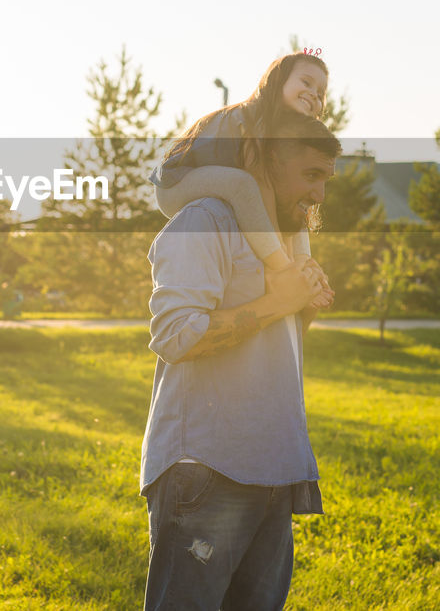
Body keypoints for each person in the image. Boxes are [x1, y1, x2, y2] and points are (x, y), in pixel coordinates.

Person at [140, 109, 341, 610]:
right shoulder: (205, 220)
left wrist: (303, 302)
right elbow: (176, 335)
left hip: (274, 467)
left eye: (326, 179)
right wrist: (277, 302)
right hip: (208, 471)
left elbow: (277, 344)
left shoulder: (281, 242)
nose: (319, 195)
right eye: (311, 175)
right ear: (269, 163)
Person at [151, 52, 331, 274]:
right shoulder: (255, 119)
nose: (313, 94)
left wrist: (302, 259)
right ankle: (283, 269)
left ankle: (304, 266)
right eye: (306, 82)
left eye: (320, 93)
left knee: (295, 197)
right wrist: (281, 263)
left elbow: (285, 201)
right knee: (241, 183)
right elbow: (260, 187)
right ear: (279, 80)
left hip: (216, 181)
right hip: (175, 184)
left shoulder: (287, 135)